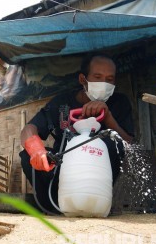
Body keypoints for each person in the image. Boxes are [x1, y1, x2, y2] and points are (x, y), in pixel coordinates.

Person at [19, 53, 134, 214]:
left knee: (113, 144)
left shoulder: (119, 102)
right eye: (97, 77)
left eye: (109, 79)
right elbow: (29, 129)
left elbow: (129, 144)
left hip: (98, 178)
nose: (104, 83)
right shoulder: (62, 103)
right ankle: (50, 207)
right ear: (83, 80)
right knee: (26, 155)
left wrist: (108, 117)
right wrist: (36, 150)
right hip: (62, 169)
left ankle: (99, 204)